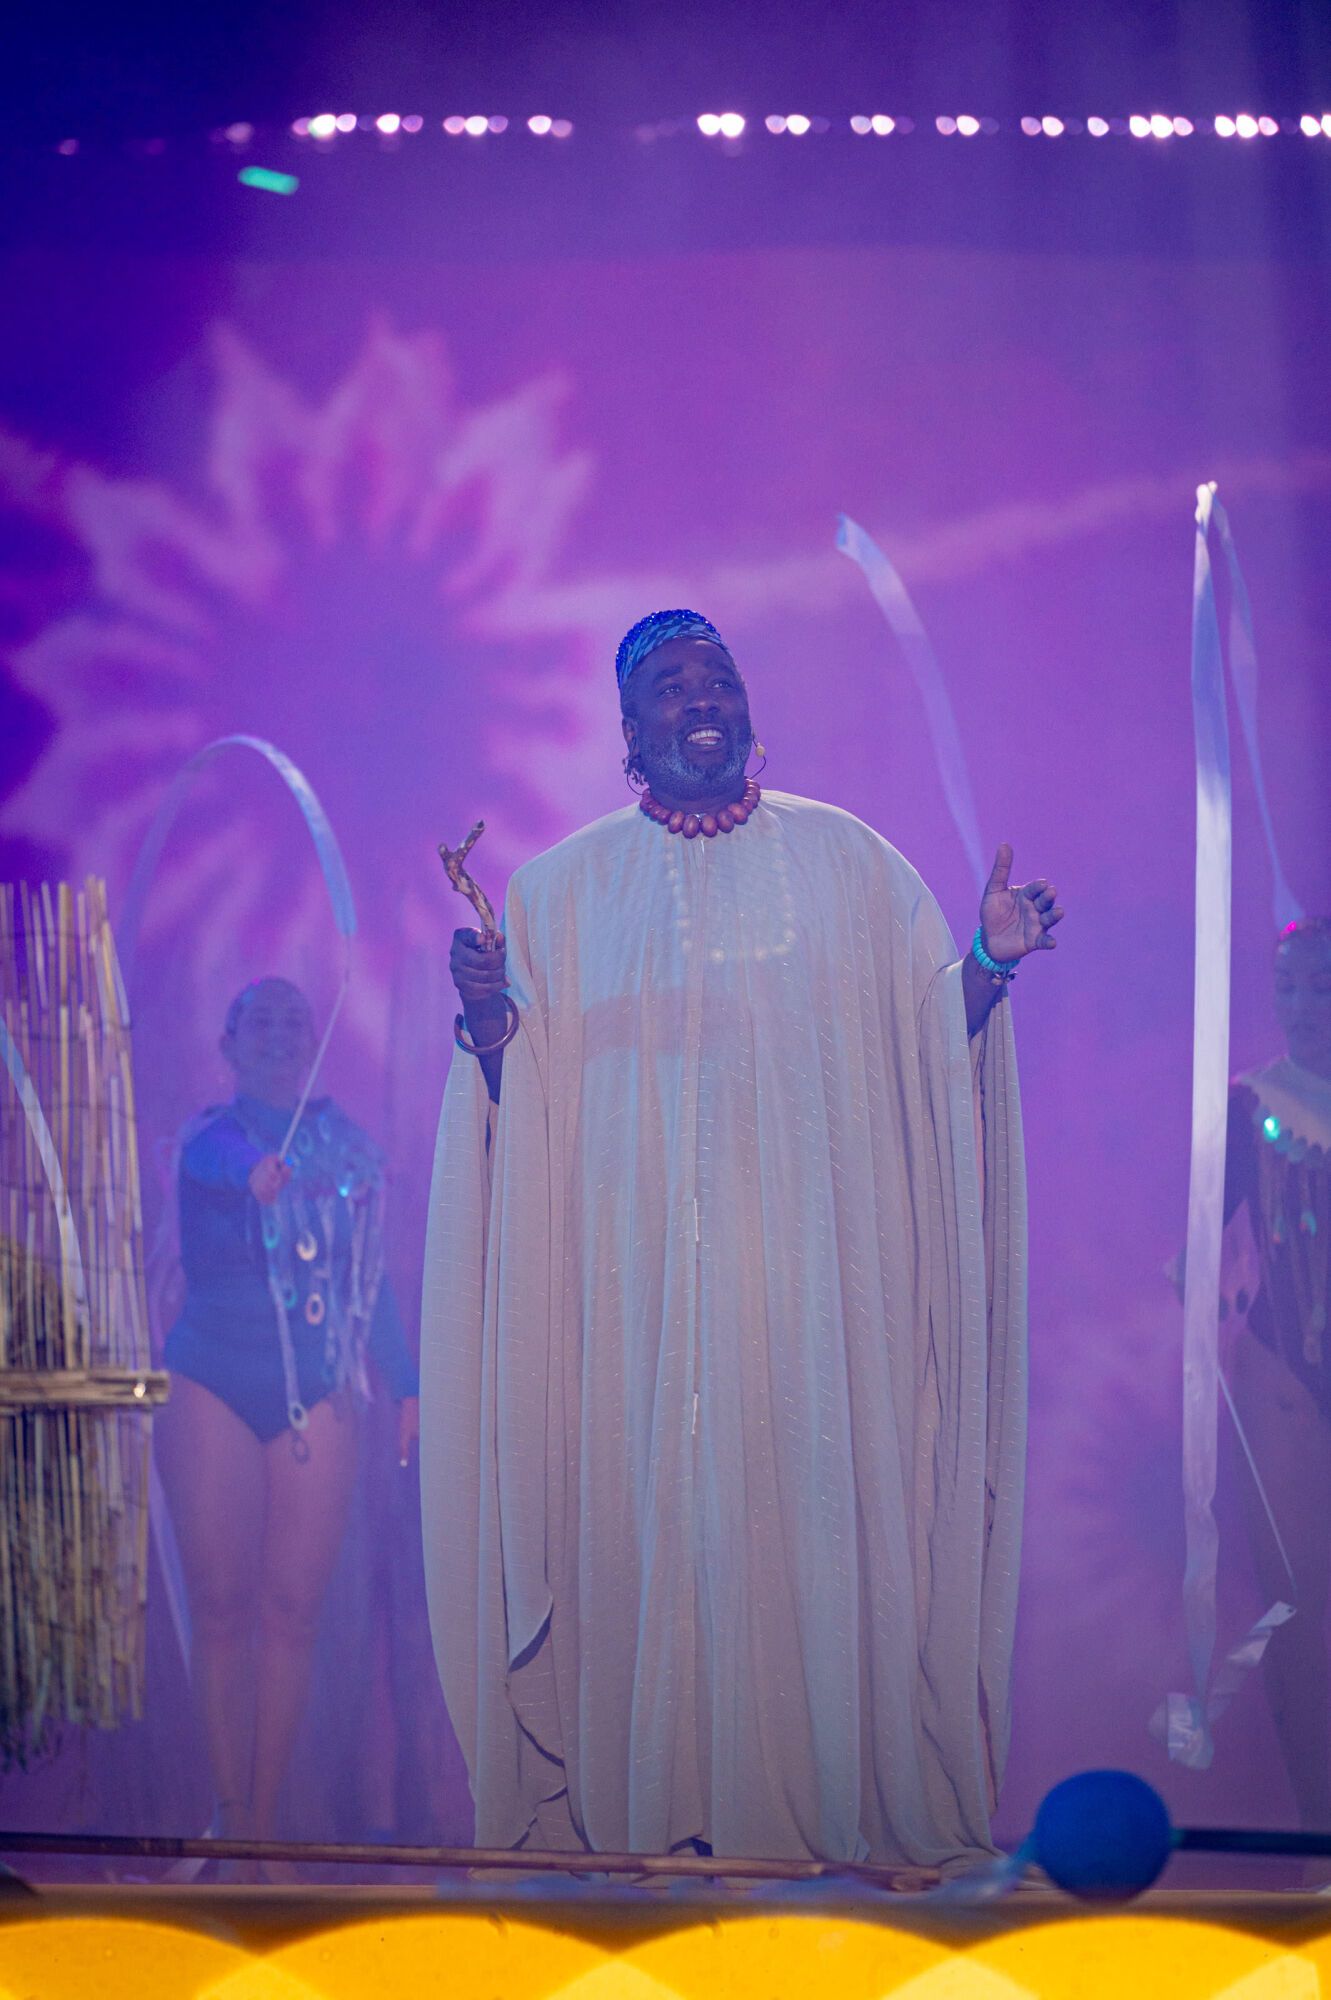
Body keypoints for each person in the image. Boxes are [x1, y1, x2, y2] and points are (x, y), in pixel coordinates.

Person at [421, 609, 1063, 1868]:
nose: (699, 698)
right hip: (635, 1313)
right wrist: (489, 1020)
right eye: (668, 685)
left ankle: (827, 1813)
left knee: (808, 1534)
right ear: (627, 730)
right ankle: (653, 1814)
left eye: (716, 677)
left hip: (814, 1308)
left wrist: (986, 964)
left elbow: (922, 1058)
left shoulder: (853, 864)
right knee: (646, 1531)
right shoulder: (560, 891)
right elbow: (522, 1117)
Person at [156, 976, 419, 1870]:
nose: (276, 1035)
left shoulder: (348, 1151)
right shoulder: (209, 1138)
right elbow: (219, 1163)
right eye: (258, 1021)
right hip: (213, 1381)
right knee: (222, 1605)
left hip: (315, 1385)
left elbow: (370, 1281)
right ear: (228, 1044)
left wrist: (406, 1384)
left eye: (291, 1022)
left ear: (313, 1043)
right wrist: (254, 1174)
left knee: (292, 1611)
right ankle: (229, 1814)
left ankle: (259, 1827)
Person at [1223, 918, 1331, 1829]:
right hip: (1282, 1383)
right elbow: (1190, 1240)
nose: (1301, 1005)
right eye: (1287, 986)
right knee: (1299, 1611)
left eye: (1320, 986)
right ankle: (1316, 1821)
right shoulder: (1248, 1103)